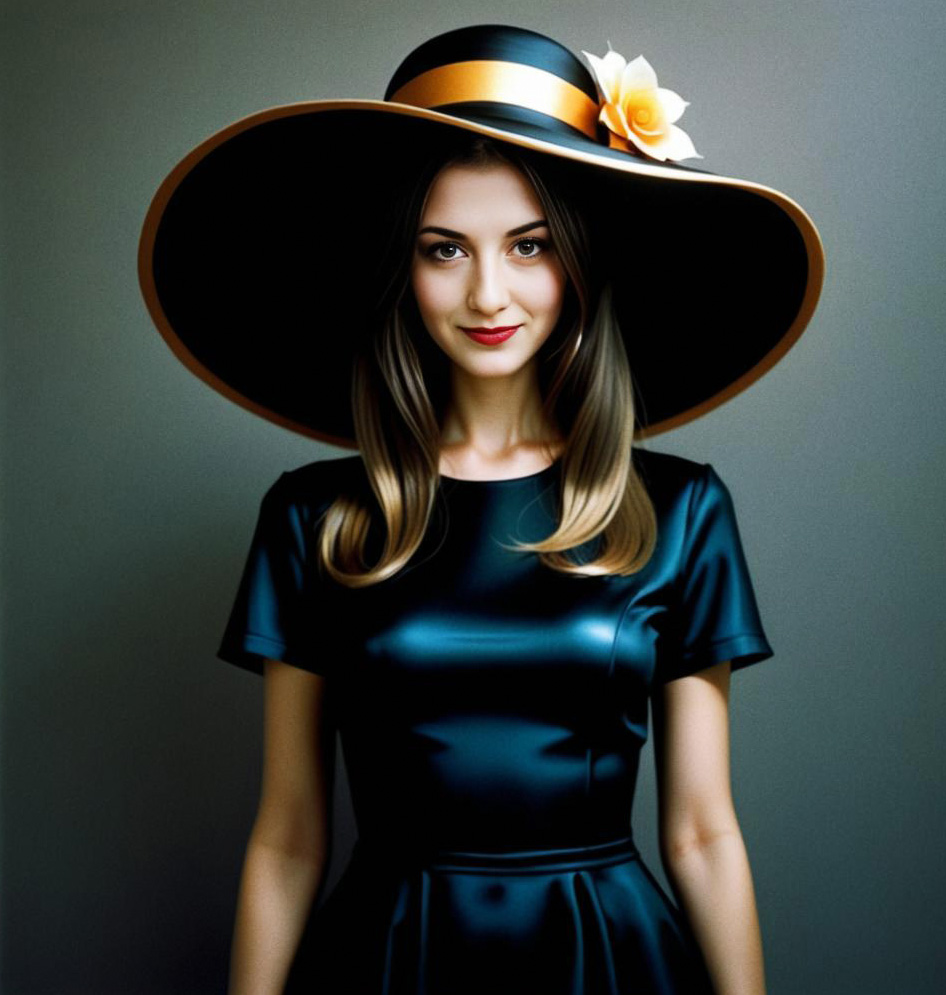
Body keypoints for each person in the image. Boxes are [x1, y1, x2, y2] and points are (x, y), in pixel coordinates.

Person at [138, 24, 824, 995]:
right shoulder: (314, 517)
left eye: (528, 245)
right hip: (387, 956)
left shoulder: (679, 507)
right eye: (444, 248)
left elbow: (702, 829)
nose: (487, 291)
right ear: (401, 270)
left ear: (576, 263)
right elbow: (289, 835)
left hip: (612, 959)